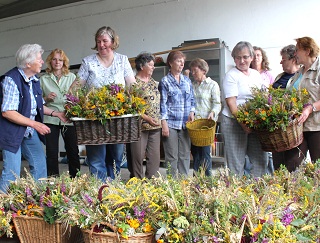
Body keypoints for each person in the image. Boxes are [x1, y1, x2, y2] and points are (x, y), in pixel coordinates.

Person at [69, 26, 135, 181]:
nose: (101, 44)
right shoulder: (88, 62)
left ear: (113, 41)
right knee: (96, 157)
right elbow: (76, 86)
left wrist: (136, 101)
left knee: (115, 157)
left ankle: (113, 188)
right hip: (94, 117)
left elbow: (132, 84)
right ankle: (98, 190)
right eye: (98, 41)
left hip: (118, 116)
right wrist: (72, 102)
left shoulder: (122, 60)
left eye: (105, 40)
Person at [0, 44, 67, 192]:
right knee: (12, 171)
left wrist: (57, 114)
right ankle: (3, 209)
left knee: (40, 164)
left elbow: (39, 106)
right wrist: (35, 124)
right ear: (28, 63)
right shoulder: (11, 80)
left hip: (28, 131)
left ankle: (37, 199)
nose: (43, 62)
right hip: (12, 132)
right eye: (39, 59)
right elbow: (8, 112)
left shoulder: (34, 80)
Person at [221, 41, 269, 177]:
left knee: (260, 159)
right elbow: (232, 104)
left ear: (252, 57)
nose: (242, 61)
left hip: (254, 122)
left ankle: (258, 191)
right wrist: (243, 124)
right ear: (234, 58)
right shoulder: (231, 75)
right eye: (238, 57)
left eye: (245, 57)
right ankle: (238, 195)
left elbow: (262, 98)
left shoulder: (255, 75)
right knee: (236, 163)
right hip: (233, 122)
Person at [276, 37, 320, 172]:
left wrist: (310, 108)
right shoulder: (299, 73)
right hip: (299, 127)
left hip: (316, 126)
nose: (295, 54)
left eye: (297, 50)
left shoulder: (318, 70)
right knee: (291, 163)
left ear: (307, 51)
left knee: (317, 164)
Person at [40, 49, 80, 178]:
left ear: (64, 62)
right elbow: (37, 102)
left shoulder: (72, 77)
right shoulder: (43, 79)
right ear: (50, 62)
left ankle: (76, 180)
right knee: (51, 152)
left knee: (73, 151)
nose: (57, 62)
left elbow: (78, 98)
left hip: (68, 117)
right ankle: (53, 181)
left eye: (60, 60)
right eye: (54, 59)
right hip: (50, 118)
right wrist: (46, 99)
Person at [159, 50, 195, 177]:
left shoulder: (187, 81)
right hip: (171, 124)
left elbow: (192, 99)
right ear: (170, 63)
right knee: (172, 156)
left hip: (185, 124)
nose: (182, 64)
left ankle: (184, 182)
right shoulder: (165, 81)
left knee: (185, 155)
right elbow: (162, 104)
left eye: (183, 61)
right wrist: (164, 124)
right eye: (179, 61)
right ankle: (172, 184)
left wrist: (192, 112)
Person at [128, 52, 161, 179]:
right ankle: (136, 185)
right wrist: (146, 118)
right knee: (137, 157)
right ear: (142, 66)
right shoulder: (133, 83)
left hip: (155, 126)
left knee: (154, 157)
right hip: (139, 126)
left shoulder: (153, 82)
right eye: (151, 65)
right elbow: (131, 106)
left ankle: (152, 184)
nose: (153, 67)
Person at [188, 58, 221, 176]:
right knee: (195, 153)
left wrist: (212, 113)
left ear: (203, 70)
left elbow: (217, 103)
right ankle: (196, 180)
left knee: (206, 153)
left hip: (207, 125)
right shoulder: (192, 85)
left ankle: (207, 180)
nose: (193, 73)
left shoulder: (212, 85)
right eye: (191, 71)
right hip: (195, 125)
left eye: (195, 71)